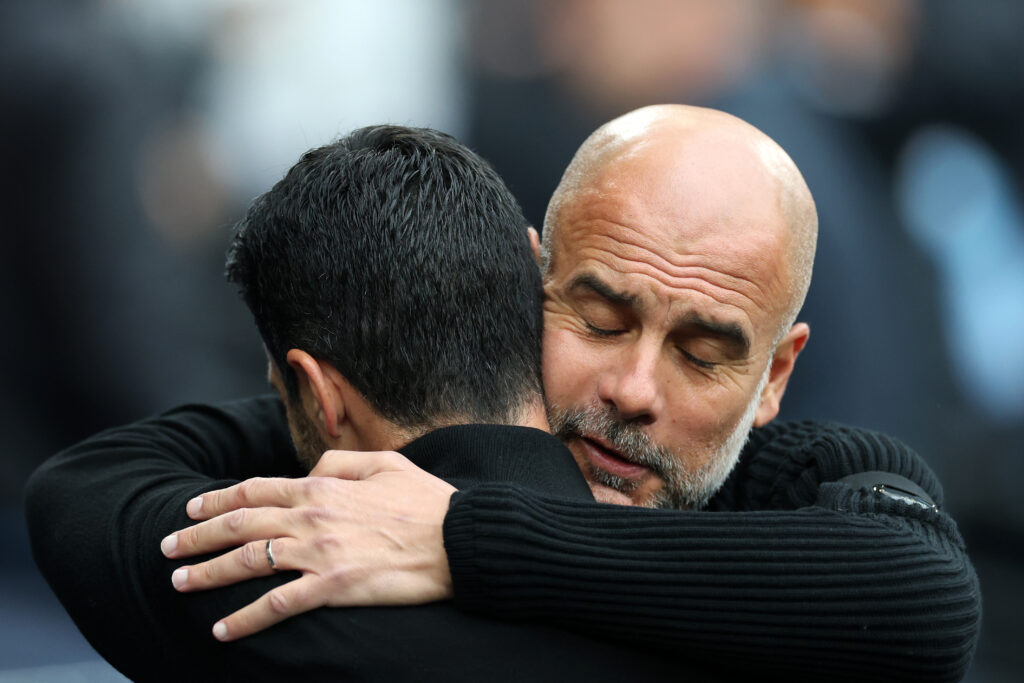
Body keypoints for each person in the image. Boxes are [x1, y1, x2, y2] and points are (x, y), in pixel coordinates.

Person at [29, 108, 981, 681]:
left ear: (775, 376)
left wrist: (462, 536)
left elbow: (924, 602)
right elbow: (91, 488)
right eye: (602, 319)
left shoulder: (815, 491)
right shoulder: (348, 498)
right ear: (530, 282)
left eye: (702, 353)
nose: (633, 390)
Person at [26, 124, 684, 681]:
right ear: (534, 299)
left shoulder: (286, 610)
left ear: (317, 392)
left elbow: (78, 490)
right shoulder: (707, 597)